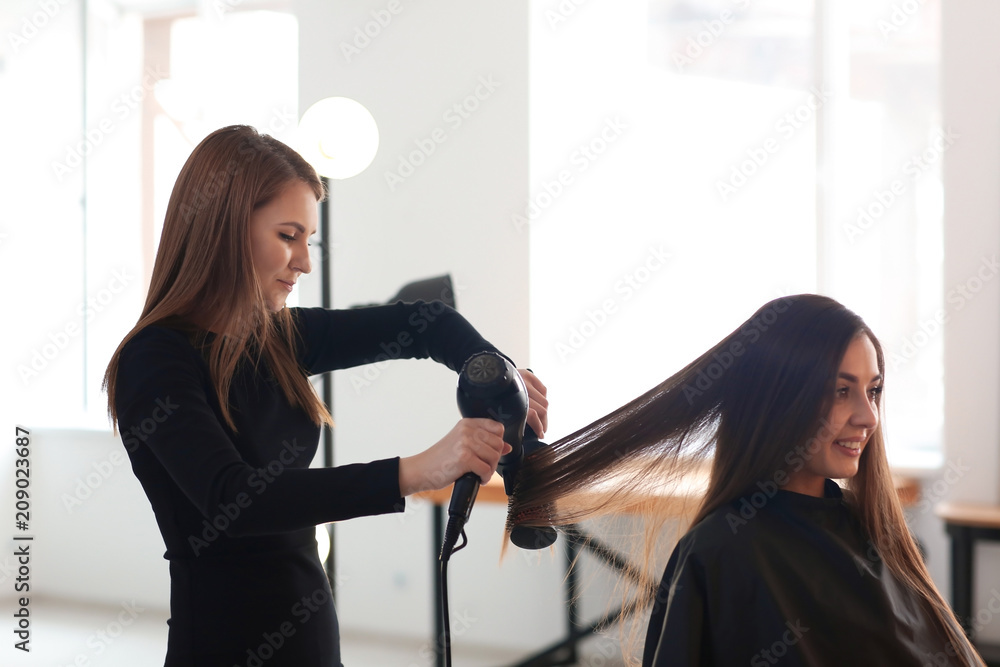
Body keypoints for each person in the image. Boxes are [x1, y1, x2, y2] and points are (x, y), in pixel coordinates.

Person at [102, 124, 547, 667]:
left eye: (307, 241)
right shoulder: (155, 360)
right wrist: (415, 470)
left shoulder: (276, 338)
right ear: (222, 229)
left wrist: (498, 374)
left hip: (310, 637)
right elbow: (233, 500)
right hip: (223, 645)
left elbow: (429, 323)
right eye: (288, 237)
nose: (304, 263)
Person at [506, 294, 983, 666]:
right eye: (841, 391)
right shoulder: (723, 552)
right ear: (779, 398)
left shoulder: (877, 534)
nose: (867, 416)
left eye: (873, 390)